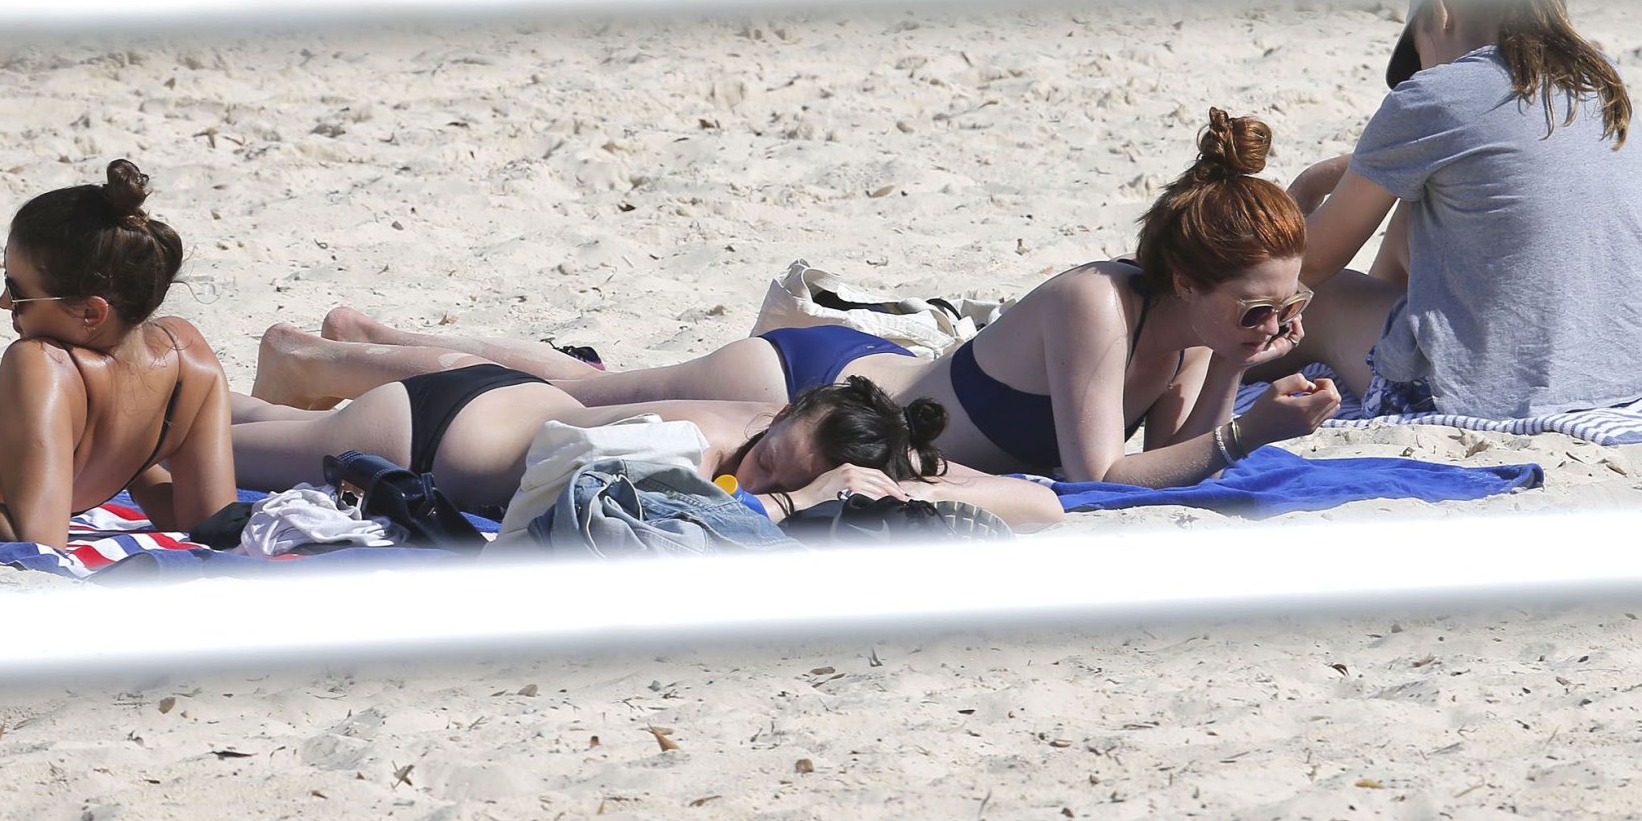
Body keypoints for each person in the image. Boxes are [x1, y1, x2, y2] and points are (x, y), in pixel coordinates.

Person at [254, 111, 1341, 487]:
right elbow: (1096, 474)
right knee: (580, 392)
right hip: (813, 381)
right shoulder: (1095, 304)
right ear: (1189, 279)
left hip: (857, 397)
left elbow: (1173, 457)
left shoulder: (1198, 332)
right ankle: (348, 354)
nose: (1275, 323)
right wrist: (1247, 428)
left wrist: (1237, 367)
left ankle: (358, 353)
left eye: (1283, 305)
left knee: (584, 389)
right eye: (1257, 308)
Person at [1283, 0, 1642, 419]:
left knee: (1319, 299)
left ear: (1441, 10)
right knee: (1418, 209)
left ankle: (1231, 377)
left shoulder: (1434, 94)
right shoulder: (1602, 78)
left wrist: (1305, 189)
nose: (1421, 69)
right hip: (1632, 373)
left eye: (1417, 52)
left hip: (1481, 391)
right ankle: (1387, 335)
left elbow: (1309, 267)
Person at [231, 364, 1065, 531]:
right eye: (770, 458)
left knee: (257, 423)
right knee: (224, 451)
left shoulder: (829, 431)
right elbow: (689, 525)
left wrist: (906, 485)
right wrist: (794, 496)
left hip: (505, 406)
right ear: (781, 416)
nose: (760, 475)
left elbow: (1042, 501)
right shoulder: (700, 448)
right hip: (429, 435)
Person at [0, 162, 236, 549]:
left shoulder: (41, 364)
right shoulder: (189, 359)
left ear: (91, 313)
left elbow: (35, 546)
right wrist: (132, 465)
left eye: (17, 293)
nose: (3, 303)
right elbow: (208, 520)